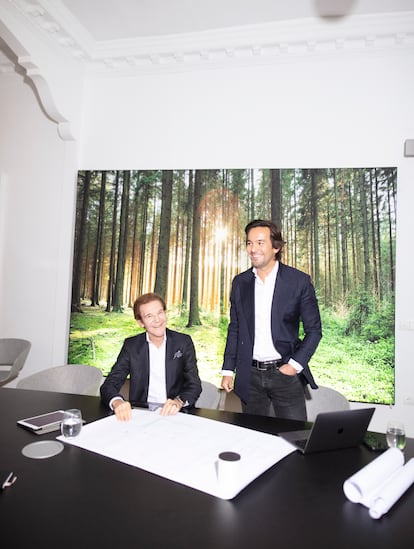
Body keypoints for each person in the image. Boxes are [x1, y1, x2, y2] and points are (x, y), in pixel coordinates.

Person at [221, 219, 322, 421]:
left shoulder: (298, 281)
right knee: (256, 437)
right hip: (249, 376)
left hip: (285, 374)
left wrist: (294, 365)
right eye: (249, 243)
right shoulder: (241, 283)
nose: (253, 249)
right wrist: (227, 369)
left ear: (276, 246)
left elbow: (314, 330)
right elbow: (235, 328)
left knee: (294, 438)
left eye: (260, 242)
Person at [101, 292, 202, 421]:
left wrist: (178, 401)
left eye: (160, 312)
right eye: (149, 316)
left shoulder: (183, 342)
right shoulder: (131, 346)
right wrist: (117, 402)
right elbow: (109, 384)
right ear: (140, 322)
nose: (157, 320)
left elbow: (194, 385)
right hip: (141, 414)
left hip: (175, 414)